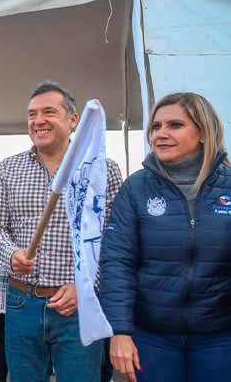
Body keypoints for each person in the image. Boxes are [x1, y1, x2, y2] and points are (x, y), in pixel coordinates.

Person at [0, 81, 123, 382]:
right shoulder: (9, 168)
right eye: (32, 114)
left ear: (74, 120)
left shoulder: (102, 170)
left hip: (77, 307)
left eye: (49, 112)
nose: (38, 121)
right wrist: (12, 255)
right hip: (22, 303)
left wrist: (85, 287)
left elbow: (114, 241)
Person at [100, 92, 231, 382]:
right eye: (156, 127)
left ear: (202, 131)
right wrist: (120, 331)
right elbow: (117, 263)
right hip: (153, 338)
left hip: (219, 339)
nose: (161, 134)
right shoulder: (136, 188)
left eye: (175, 125)